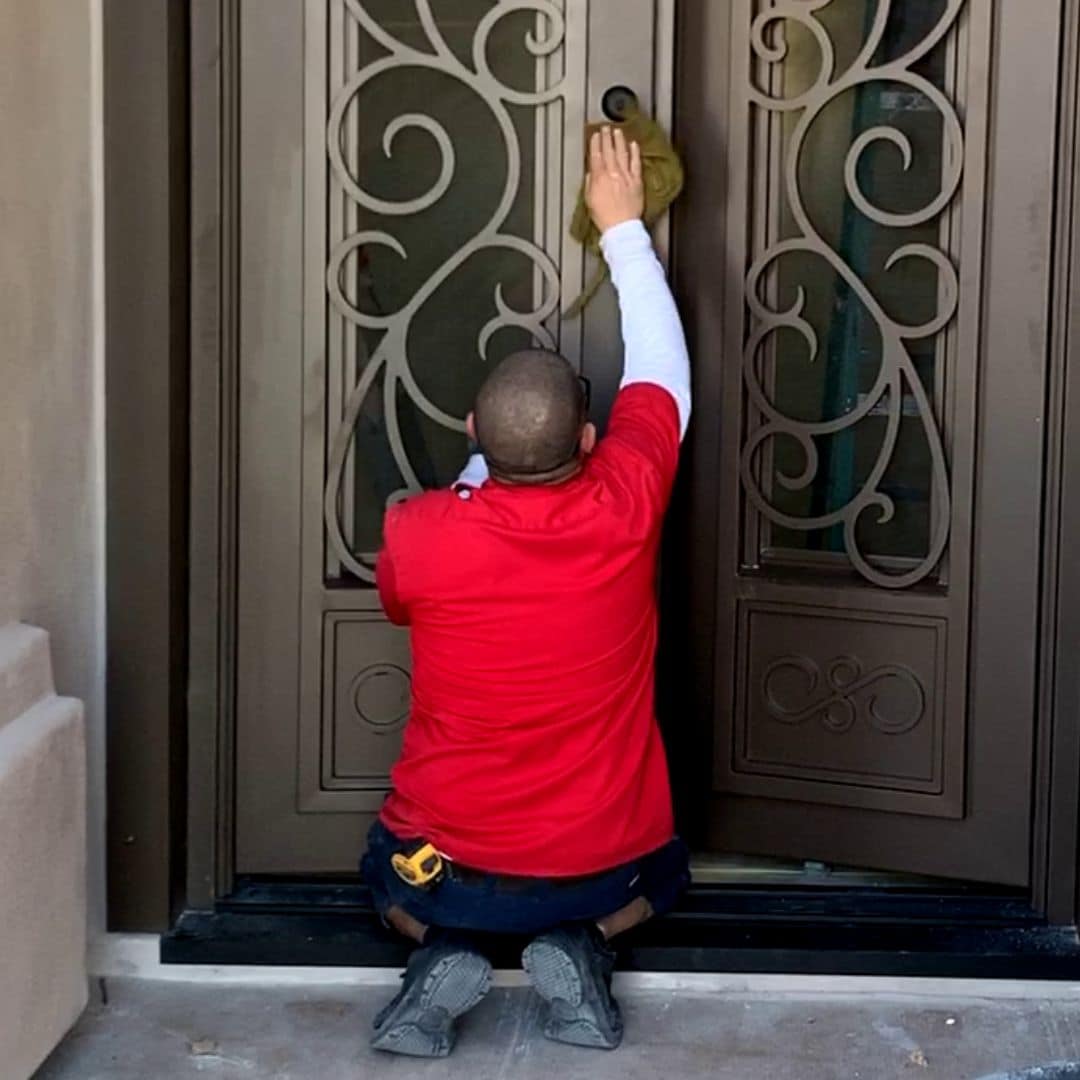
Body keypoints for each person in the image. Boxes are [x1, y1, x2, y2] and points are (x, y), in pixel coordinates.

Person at [362, 125, 693, 1058]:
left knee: (385, 881)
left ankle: (446, 955)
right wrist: (623, 230)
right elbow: (663, 375)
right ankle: (575, 947)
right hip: (602, 869)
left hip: (442, 869)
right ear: (589, 444)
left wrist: (477, 477)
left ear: (470, 430)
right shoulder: (624, 503)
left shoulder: (422, 534)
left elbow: (424, 563)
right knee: (660, 882)